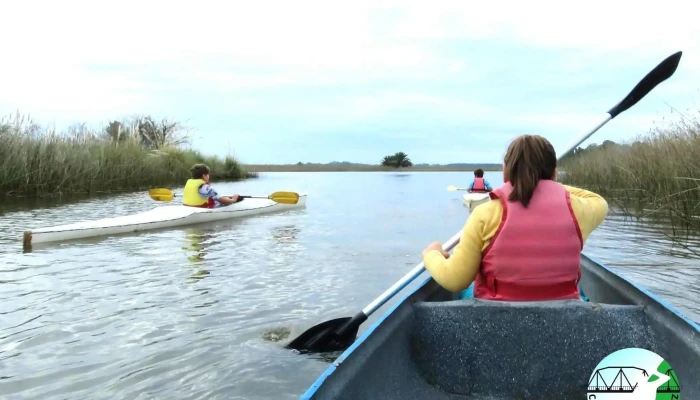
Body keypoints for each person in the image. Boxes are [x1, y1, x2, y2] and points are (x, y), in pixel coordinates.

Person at [421, 134, 608, 301]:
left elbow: (455, 280)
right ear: (554, 173)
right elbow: (597, 200)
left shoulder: (484, 214)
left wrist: (432, 254)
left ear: (505, 172)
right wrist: (550, 187)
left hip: (497, 317)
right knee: (580, 290)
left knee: (469, 287)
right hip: (562, 313)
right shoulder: (581, 208)